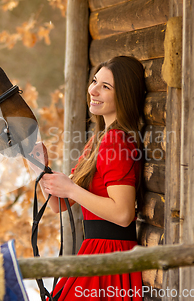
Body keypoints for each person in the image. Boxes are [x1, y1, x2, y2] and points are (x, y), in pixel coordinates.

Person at [31, 56, 146, 301]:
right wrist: (40, 169)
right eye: (95, 81)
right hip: (95, 251)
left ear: (124, 95)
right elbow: (58, 205)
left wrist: (71, 189)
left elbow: (124, 214)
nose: (93, 89)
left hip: (111, 255)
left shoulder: (117, 141)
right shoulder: (98, 141)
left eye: (106, 86)